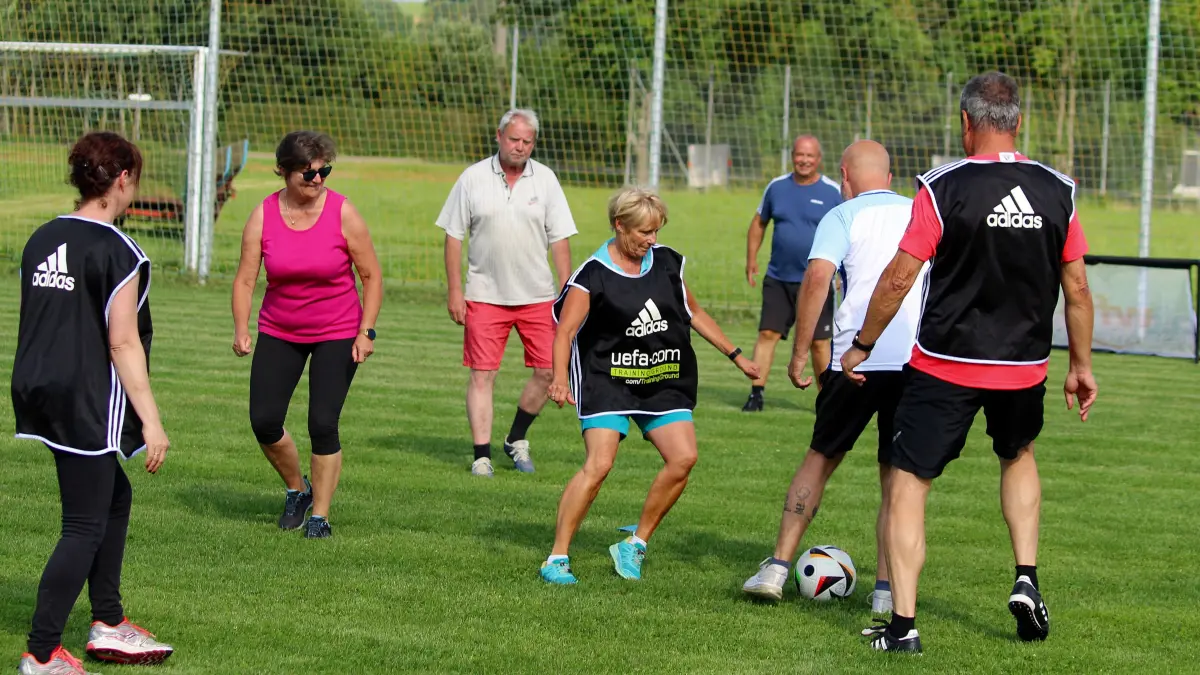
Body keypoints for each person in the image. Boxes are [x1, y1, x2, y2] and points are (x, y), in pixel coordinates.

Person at [842, 72, 1097, 653]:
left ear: (966, 123)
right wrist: (1079, 364)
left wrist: (861, 343)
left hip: (944, 366)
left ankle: (903, 627)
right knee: (1018, 454)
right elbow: (1077, 288)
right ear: (1018, 122)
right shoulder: (1059, 189)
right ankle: (1026, 579)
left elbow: (900, 275)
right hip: (1024, 367)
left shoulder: (942, 187)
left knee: (910, 482)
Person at [741, 140, 927, 621]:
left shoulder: (842, 215)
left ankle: (777, 569)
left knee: (820, 458)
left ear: (844, 175)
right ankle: (887, 592)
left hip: (853, 361)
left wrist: (800, 351)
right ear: (891, 176)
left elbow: (818, 279)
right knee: (897, 479)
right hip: (912, 362)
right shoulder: (920, 212)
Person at [12, 131, 174, 674]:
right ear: (122, 179)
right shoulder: (118, 249)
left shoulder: (41, 236)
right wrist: (151, 423)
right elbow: (123, 342)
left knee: (113, 498)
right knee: (83, 525)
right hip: (84, 398)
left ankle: (107, 621)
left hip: (39, 387)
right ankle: (41, 654)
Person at [541, 187, 759, 585]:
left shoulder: (667, 263)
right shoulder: (592, 275)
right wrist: (558, 379)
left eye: (656, 231)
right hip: (607, 378)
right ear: (619, 225)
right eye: (644, 232)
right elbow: (566, 331)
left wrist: (737, 355)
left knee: (684, 458)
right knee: (600, 464)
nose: (652, 240)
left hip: (661, 376)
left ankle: (634, 544)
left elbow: (694, 312)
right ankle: (557, 557)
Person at [231, 130, 383, 539]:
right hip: (280, 328)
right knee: (264, 420)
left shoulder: (343, 213)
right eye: (308, 174)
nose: (318, 181)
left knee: (322, 422)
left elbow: (370, 276)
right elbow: (246, 279)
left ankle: (319, 515)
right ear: (283, 172)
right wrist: (241, 328)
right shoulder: (263, 215)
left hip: (337, 329)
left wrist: (366, 331)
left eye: (324, 172)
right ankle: (297, 490)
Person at [436, 108, 578, 478]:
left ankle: (516, 438)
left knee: (549, 372)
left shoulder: (546, 180)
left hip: (538, 296)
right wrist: (455, 290)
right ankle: (481, 455)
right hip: (483, 295)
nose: (520, 147)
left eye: (527, 142)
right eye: (514, 139)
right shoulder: (472, 178)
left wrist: (566, 295)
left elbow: (560, 240)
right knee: (483, 375)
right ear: (499, 137)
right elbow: (453, 236)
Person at [743, 135, 843, 411]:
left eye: (810, 156)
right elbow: (758, 223)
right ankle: (756, 393)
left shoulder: (833, 192)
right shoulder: (776, 187)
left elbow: (848, 233)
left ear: (819, 159)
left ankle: (826, 401)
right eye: (800, 155)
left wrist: (840, 272)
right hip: (778, 278)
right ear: (793, 156)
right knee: (767, 334)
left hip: (817, 283)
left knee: (819, 343)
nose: (804, 160)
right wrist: (751, 259)